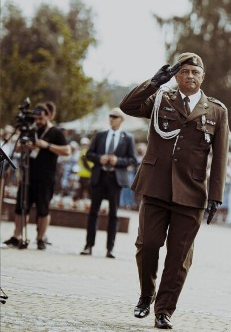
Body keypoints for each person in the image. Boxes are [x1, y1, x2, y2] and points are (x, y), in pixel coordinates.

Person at [120, 52, 229, 329]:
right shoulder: (159, 99)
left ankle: (164, 310)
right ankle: (147, 294)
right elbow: (128, 106)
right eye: (183, 72)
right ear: (176, 76)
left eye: (195, 72)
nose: (189, 76)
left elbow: (220, 157)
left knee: (179, 256)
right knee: (147, 245)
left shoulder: (216, 110)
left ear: (203, 77)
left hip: (191, 192)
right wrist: (154, 82)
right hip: (156, 186)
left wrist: (215, 195)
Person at [4, 103, 71, 250]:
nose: (38, 121)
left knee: (43, 209)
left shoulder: (56, 132)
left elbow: (67, 151)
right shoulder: (30, 129)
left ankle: (40, 238)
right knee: (21, 206)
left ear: (47, 116)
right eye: (36, 118)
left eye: (41, 118)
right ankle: (17, 236)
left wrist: (46, 145)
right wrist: (26, 146)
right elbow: (18, 148)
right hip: (28, 174)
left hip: (46, 177)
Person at [80, 108, 137, 258]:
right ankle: (88, 245)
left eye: (115, 117)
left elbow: (132, 159)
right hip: (99, 177)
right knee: (93, 212)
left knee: (114, 215)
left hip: (115, 179)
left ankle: (110, 249)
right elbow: (89, 154)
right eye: (110, 116)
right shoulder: (100, 135)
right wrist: (100, 158)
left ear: (121, 120)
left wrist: (118, 161)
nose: (112, 119)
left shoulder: (128, 138)